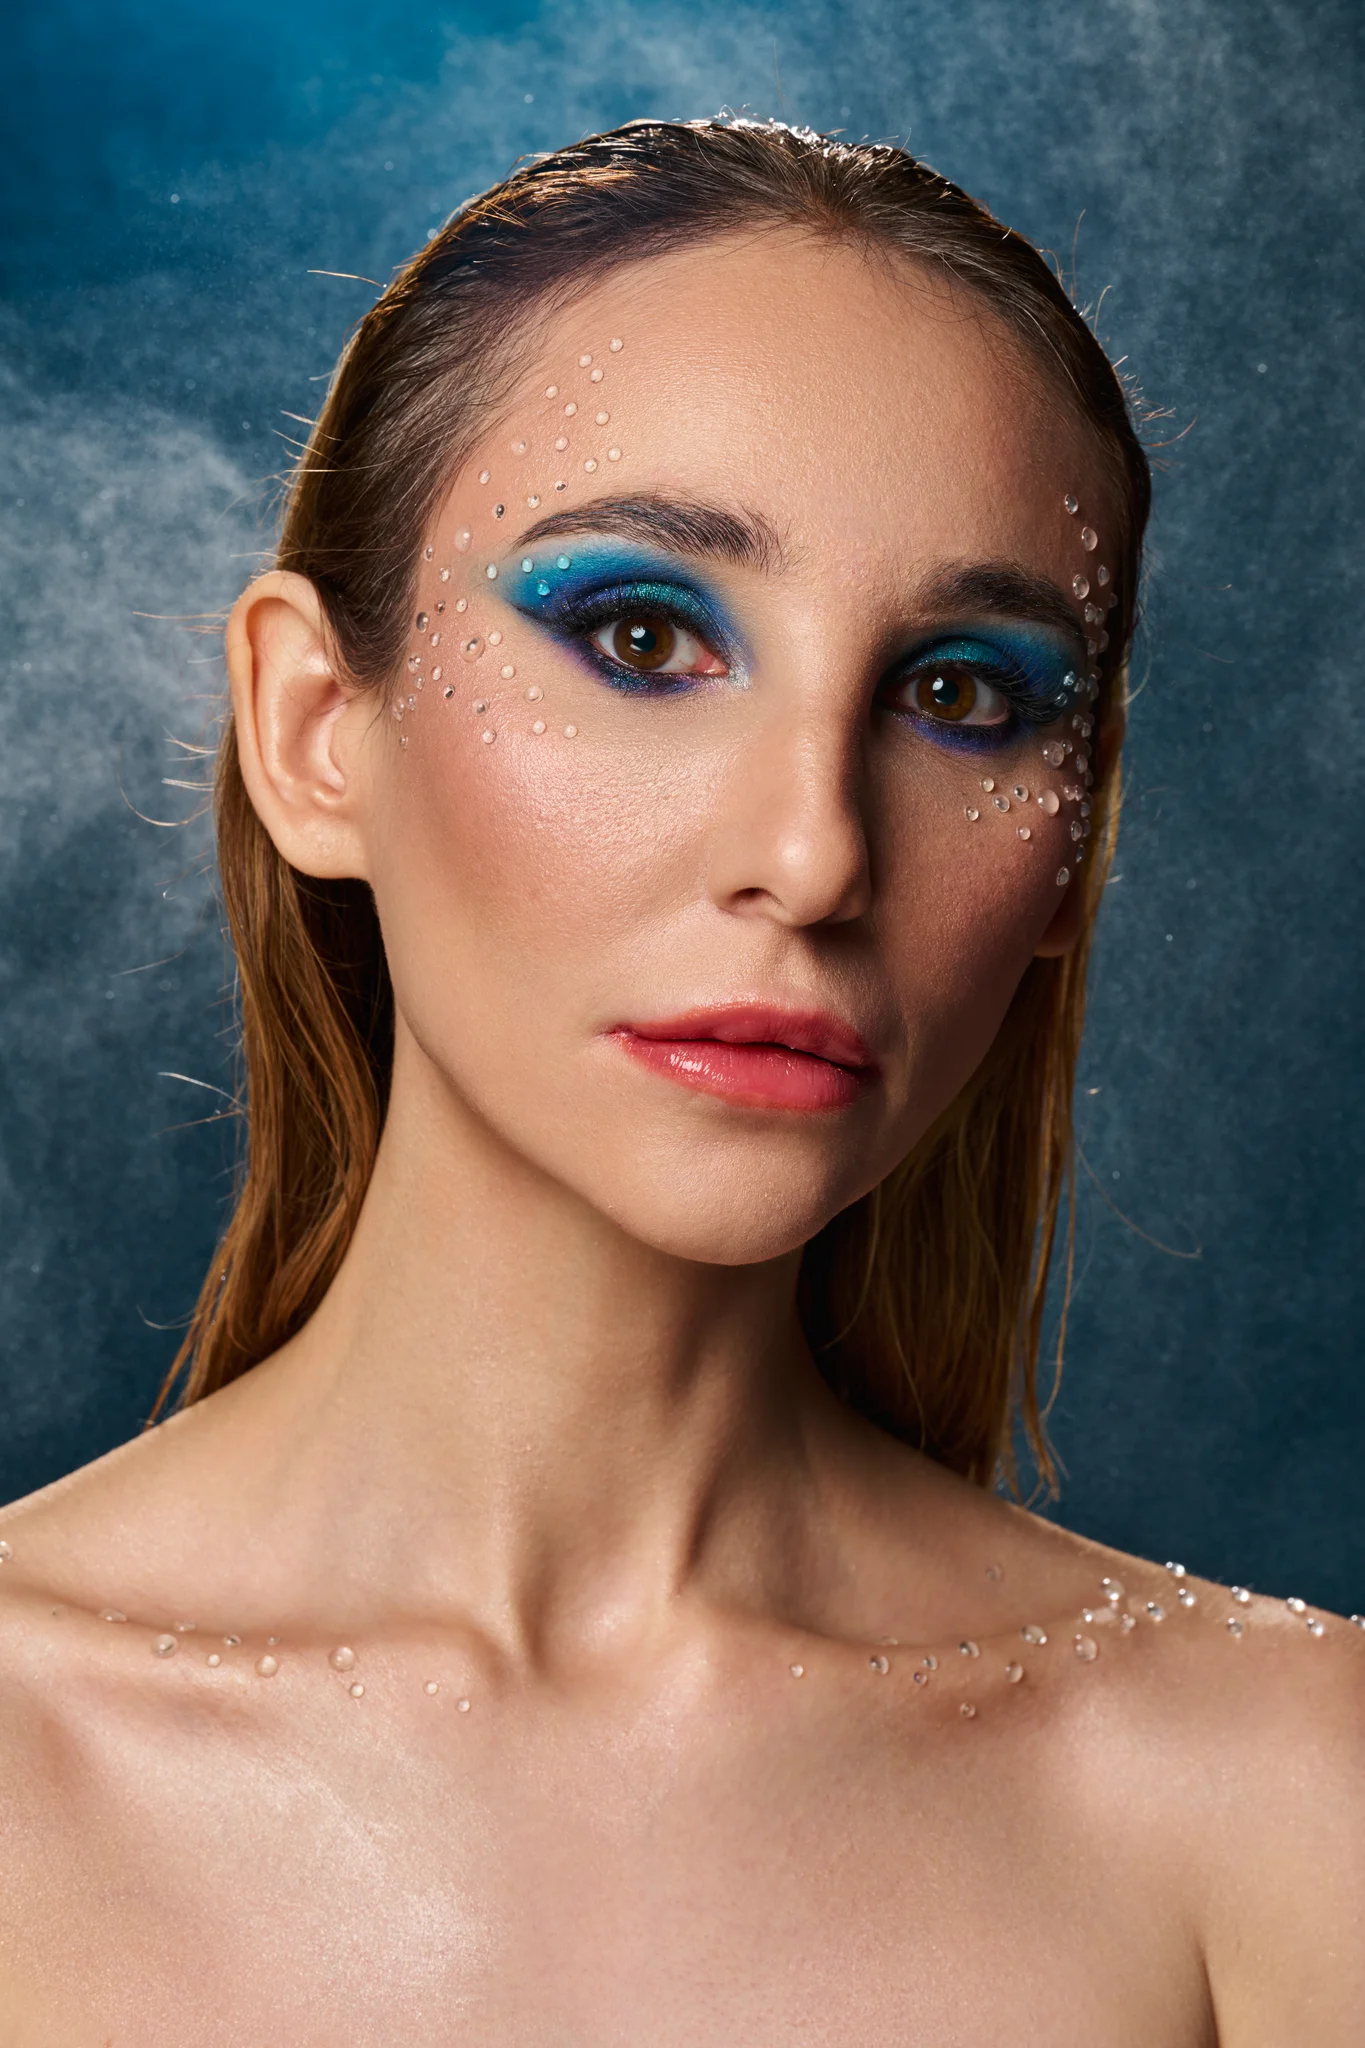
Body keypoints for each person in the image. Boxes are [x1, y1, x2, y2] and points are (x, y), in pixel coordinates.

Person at [0, 116, 1359, 2041]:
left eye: (964, 694)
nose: (813, 856)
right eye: (643, 633)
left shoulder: (1294, 1799)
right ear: (317, 733)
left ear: (1072, 851)